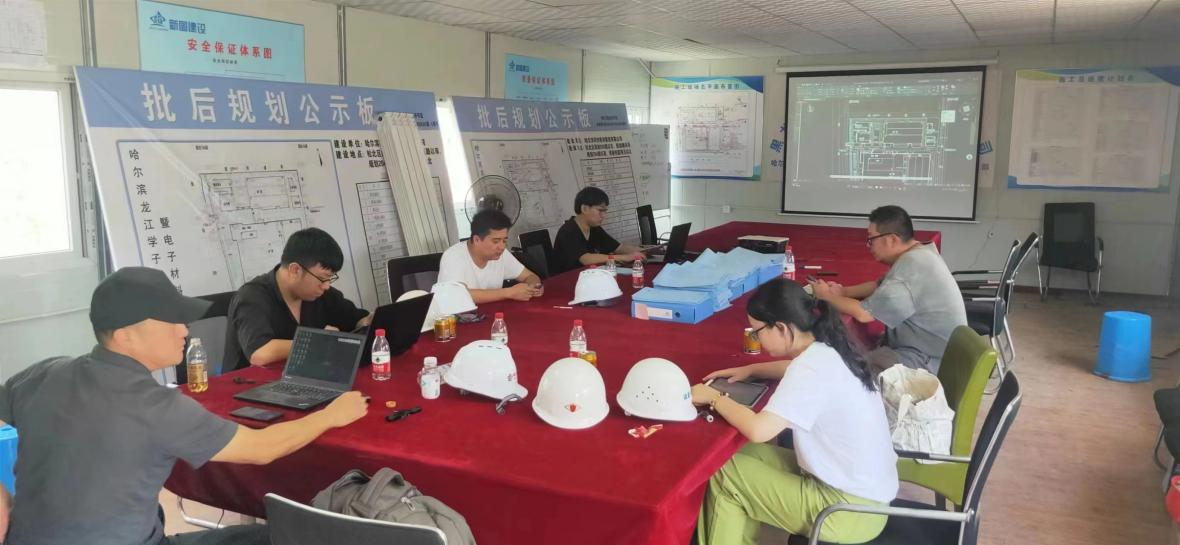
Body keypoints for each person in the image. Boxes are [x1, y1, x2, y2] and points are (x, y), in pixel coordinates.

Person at [0, 267, 369, 545]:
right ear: (125, 334)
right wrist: (331, 416)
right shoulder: (156, 405)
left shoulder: (44, 373)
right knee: (283, 537)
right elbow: (262, 448)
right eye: (170, 321)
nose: (184, 330)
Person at [692, 279, 898, 545]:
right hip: (864, 494)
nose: (756, 339)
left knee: (723, 474)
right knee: (735, 455)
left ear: (781, 328)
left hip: (845, 510)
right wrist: (750, 370)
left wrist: (714, 397)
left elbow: (759, 430)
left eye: (757, 332)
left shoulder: (810, 368)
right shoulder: (828, 346)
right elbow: (793, 370)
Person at [811, 205, 966, 374]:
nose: (869, 246)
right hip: (934, 352)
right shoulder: (919, 253)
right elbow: (879, 285)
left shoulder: (911, 268)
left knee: (851, 370)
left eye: (871, 239)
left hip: (929, 361)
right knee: (857, 358)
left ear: (891, 239)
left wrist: (826, 296)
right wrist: (844, 292)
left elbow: (864, 314)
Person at [225, 227, 371, 371]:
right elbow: (260, 353)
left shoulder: (320, 293)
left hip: (303, 375)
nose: (326, 286)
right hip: (250, 382)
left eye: (330, 279)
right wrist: (318, 341)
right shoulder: (251, 296)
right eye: (322, 278)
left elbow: (356, 320)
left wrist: (369, 322)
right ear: (295, 270)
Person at [438, 209, 544, 304]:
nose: (502, 247)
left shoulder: (501, 253)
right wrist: (508, 293)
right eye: (496, 241)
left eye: (504, 241)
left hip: (489, 314)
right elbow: (456, 296)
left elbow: (529, 276)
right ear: (477, 240)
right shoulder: (453, 256)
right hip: (455, 318)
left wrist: (533, 287)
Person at [552, 186, 646, 273]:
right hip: (569, 279)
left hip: (593, 275)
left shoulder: (595, 229)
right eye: (600, 210)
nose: (603, 215)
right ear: (584, 208)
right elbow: (586, 259)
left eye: (605, 211)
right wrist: (624, 257)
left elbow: (618, 248)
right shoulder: (568, 231)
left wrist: (644, 251)